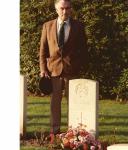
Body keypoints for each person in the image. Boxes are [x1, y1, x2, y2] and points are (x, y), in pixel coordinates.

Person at [39, 0, 88, 140]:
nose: (65, 11)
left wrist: (77, 65)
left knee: (73, 102)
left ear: (71, 9)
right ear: (56, 9)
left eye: (67, 8)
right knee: (55, 103)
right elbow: (42, 51)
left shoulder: (78, 26)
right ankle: (54, 132)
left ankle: (74, 132)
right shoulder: (47, 26)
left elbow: (83, 50)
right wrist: (43, 69)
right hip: (53, 71)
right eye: (62, 8)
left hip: (72, 71)